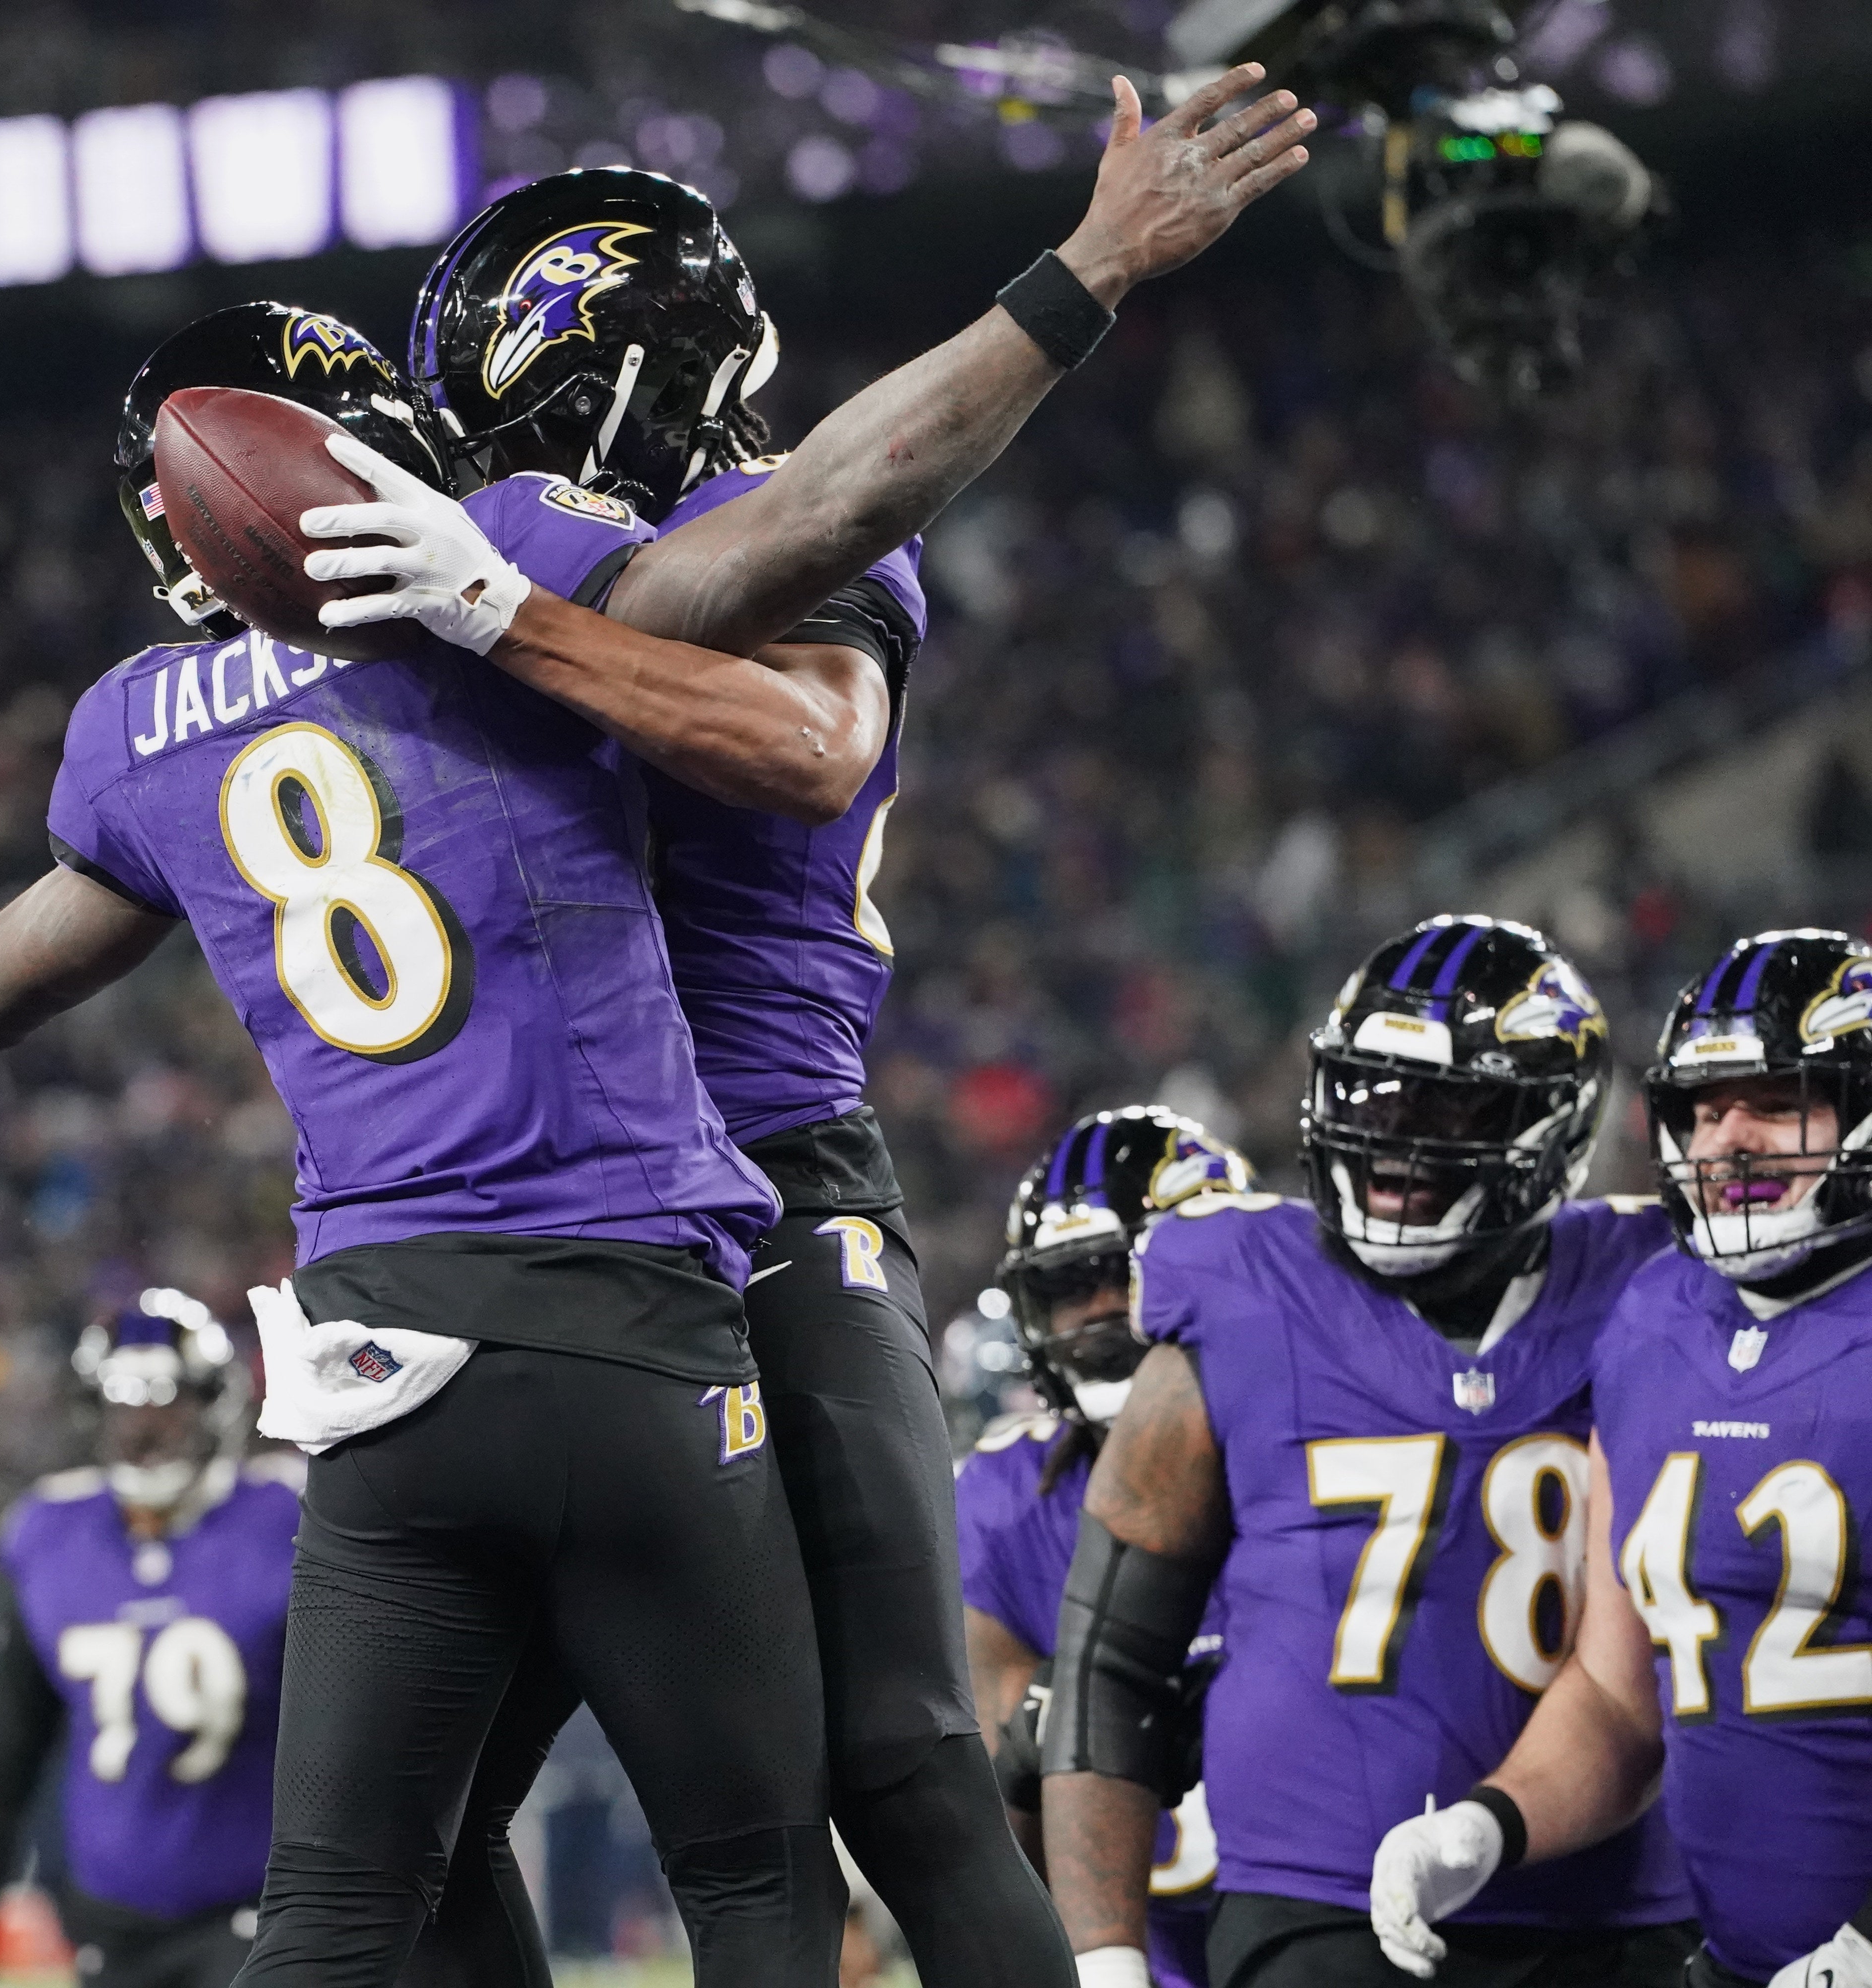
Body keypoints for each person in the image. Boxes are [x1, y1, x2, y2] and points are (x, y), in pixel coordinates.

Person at [0, 302, 852, 1986]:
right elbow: (798, 546)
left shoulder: (143, 725)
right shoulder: (516, 549)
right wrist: (1070, 292)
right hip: (630, 1312)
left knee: (343, 1903)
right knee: (757, 1871)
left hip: (388, 1360)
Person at [390, 63, 1313, 1986]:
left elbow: (809, 716)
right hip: (570, 1225)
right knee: (425, 1809)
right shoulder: (542, 564)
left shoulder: (734, 533)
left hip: (763, 1186)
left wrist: (1081, 269)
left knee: (891, 1760)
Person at [1037, 916, 1696, 1988]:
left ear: (1552, 1120)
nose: (1396, 1135)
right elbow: (1110, 1664)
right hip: (1319, 1906)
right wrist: (1106, 1958)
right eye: (1371, 1091)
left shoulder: (1654, 1284)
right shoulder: (1244, 1288)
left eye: (1449, 1099)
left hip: (1623, 1897)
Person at [1365, 929, 1872, 1988]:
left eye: (1774, 1098)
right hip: (1738, 1963)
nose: (1727, 1137)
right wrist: (1484, 1828)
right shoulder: (1653, 1320)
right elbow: (1614, 1687)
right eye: (1702, 1103)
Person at [960, 1108, 1250, 1988]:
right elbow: (980, 1845)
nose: (1095, 1316)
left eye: (1119, 1276)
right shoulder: (1003, 1502)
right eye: (1065, 1289)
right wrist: (1033, 1746)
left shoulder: (1321, 1456)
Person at [0, 1290, 297, 1988]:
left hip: (262, 1917)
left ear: (216, 1408)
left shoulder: (284, 1519)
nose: (144, 1431)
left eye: (169, 1404)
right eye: (123, 1406)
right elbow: (1, 1767)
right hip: (110, 1930)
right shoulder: (52, 1535)